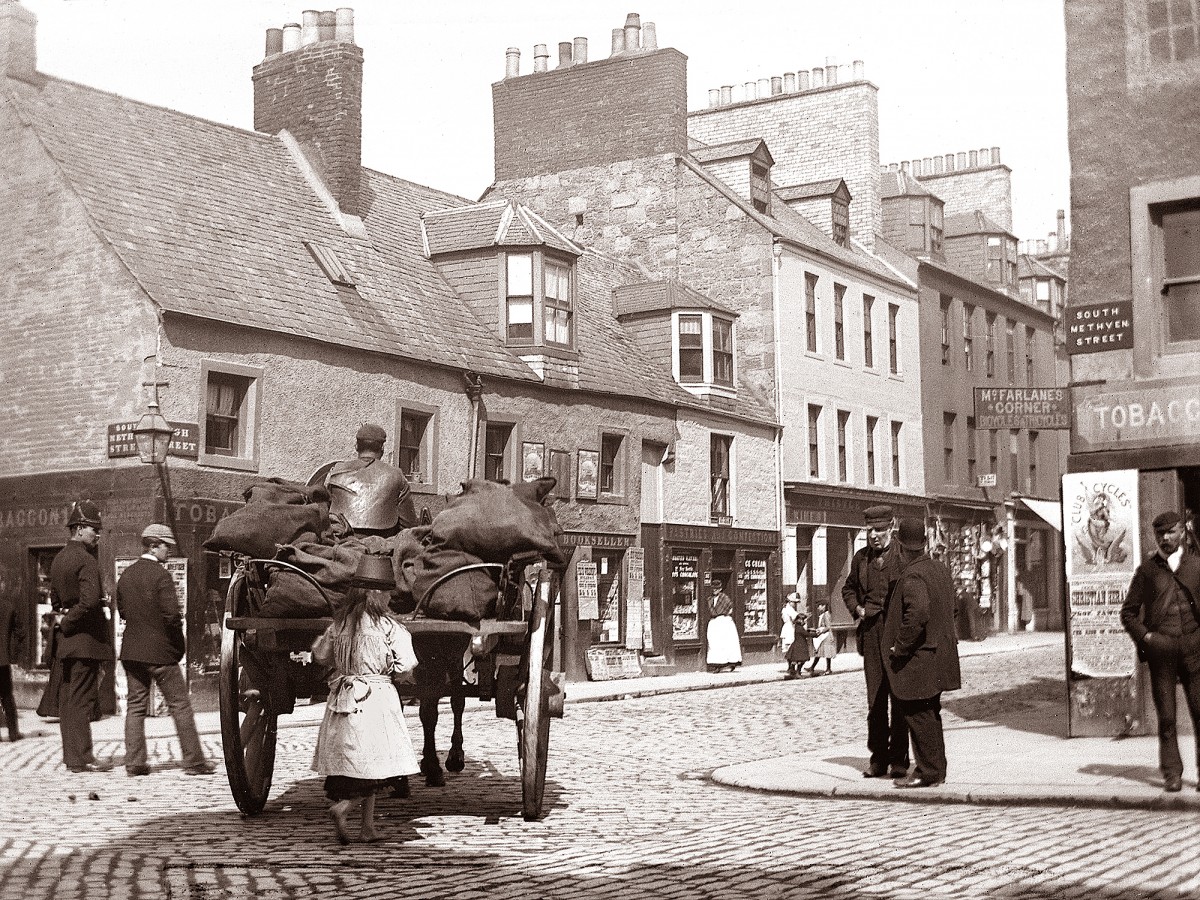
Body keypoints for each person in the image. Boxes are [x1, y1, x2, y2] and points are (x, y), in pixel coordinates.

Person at [312, 560, 420, 844]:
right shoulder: (389, 626)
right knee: (374, 766)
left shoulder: (340, 623)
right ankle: (343, 807)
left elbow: (321, 655)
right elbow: (406, 664)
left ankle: (368, 827)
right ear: (373, 593)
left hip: (344, 695)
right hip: (375, 700)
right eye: (385, 592)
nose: (388, 597)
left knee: (359, 764)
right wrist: (400, 674)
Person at [116, 524, 216, 777]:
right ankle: (194, 762)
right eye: (165, 546)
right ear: (153, 545)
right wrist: (177, 647)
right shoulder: (161, 576)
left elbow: (123, 613)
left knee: (135, 707)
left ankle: (135, 763)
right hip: (160, 653)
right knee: (180, 705)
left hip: (131, 651)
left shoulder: (126, 575)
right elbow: (172, 617)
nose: (168, 551)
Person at [1119, 510, 1200, 793]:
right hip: (1162, 649)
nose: (1165, 538)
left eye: (1171, 532)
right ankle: (1172, 774)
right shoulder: (1147, 571)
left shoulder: (1196, 566)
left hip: (1194, 648)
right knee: (1166, 716)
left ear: (1182, 533)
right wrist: (1147, 638)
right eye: (1160, 534)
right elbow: (1128, 613)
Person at [884, 518, 961, 789]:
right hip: (939, 655)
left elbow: (917, 614)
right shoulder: (940, 569)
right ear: (925, 544)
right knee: (930, 713)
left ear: (901, 547)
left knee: (918, 714)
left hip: (920, 658)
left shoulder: (913, 574)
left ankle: (927, 772)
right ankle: (936, 770)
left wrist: (900, 646)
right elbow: (952, 611)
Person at [841, 504, 909, 779]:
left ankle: (899, 760)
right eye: (870, 531)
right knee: (875, 702)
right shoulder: (860, 559)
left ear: (891, 528)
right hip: (871, 635)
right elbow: (848, 589)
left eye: (879, 530)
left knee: (900, 699)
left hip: (896, 635)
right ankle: (878, 758)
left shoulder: (903, 558)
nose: (874, 536)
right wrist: (856, 608)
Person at [49, 500, 114, 773]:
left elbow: (55, 600)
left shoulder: (58, 558)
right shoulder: (86, 559)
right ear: (78, 529)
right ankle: (82, 758)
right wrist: (71, 620)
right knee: (81, 701)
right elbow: (88, 603)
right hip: (85, 641)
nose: (97, 534)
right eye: (92, 529)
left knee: (69, 701)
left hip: (66, 644)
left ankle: (74, 757)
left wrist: (63, 619)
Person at [325, 423, 419, 537]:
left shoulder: (335, 471)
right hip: (382, 542)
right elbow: (408, 524)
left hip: (341, 539)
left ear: (356, 446)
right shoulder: (396, 475)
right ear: (382, 448)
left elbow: (323, 512)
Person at [0, 590, 25, 741]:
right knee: (7, 696)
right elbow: (20, 632)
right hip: (2, 659)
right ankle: (13, 732)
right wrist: (12, 652)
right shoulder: (8, 606)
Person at [705, 576, 741, 673]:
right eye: (713, 589)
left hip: (723, 622)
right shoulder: (710, 599)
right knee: (714, 643)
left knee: (725, 643)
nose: (714, 590)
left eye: (716, 589)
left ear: (720, 589)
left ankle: (729, 662)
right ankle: (716, 663)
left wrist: (724, 616)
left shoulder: (725, 598)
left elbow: (730, 609)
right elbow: (710, 610)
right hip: (714, 622)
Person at [805, 601, 835, 676]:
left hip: (826, 636)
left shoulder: (826, 615)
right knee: (819, 652)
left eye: (819, 606)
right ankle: (812, 667)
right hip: (823, 636)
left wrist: (820, 631)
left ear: (824, 606)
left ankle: (828, 669)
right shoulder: (823, 615)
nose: (818, 608)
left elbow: (828, 627)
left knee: (826, 653)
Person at [780, 593, 805, 678]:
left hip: (788, 628)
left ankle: (791, 668)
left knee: (790, 649)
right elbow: (796, 617)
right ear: (790, 602)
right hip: (790, 629)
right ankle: (792, 668)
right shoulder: (789, 609)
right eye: (794, 602)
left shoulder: (786, 609)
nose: (795, 604)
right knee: (792, 648)